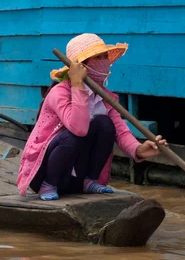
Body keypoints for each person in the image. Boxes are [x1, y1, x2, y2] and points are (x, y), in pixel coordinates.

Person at [17, 34, 168, 201]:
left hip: (75, 178)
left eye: (105, 57)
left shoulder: (103, 97)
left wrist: (138, 150)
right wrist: (77, 84)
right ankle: (49, 184)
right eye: (98, 57)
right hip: (43, 175)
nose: (105, 62)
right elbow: (79, 128)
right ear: (81, 66)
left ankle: (90, 181)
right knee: (73, 135)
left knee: (105, 123)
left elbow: (120, 131)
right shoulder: (59, 92)